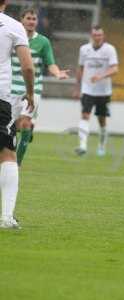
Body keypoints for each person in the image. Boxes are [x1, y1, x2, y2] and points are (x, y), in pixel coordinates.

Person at [11, 8, 69, 167]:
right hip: (10, 88)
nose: (31, 21)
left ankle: (17, 163)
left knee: (24, 123)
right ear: (21, 20)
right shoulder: (13, 37)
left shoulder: (43, 42)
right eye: (28, 18)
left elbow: (50, 63)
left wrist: (57, 74)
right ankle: (25, 136)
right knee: (12, 127)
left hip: (32, 89)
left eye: (34, 19)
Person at [0, 0, 35, 229]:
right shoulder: (13, 25)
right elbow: (27, 66)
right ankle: (6, 217)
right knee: (7, 154)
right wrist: (30, 93)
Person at [73, 25, 119, 157]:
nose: (97, 37)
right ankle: (82, 146)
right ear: (91, 36)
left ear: (103, 36)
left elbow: (115, 69)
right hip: (87, 90)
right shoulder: (84, 49)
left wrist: (101, 76)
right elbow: (80, 69)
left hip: (104, 91)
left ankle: (102, 145)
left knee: (101, 120)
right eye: (95, 35)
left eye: (100, 35)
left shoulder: (110, 49)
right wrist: (77, 88)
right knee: (85, 115)